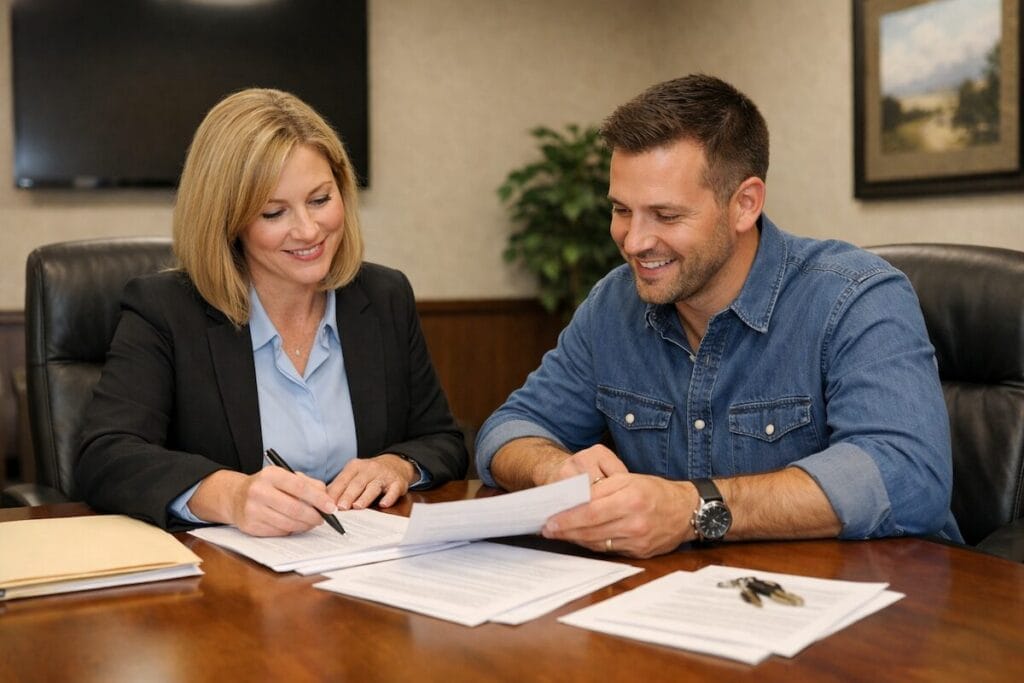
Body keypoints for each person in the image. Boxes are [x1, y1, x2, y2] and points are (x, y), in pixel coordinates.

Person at [475, 74, 961, 558]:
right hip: (688, 601)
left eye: (665, 216)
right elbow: (507, 430)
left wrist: (693, 508)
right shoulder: (613, 304)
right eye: (622, 210)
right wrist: (552, 469)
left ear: (744, 204)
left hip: (875, 603)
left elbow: (908, 476)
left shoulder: (855, 297)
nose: (634, 241)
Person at [75, 88, 467, 535]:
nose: (308, 230)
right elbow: (105, 455)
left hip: (366, 570)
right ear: (227, 221)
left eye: (320, 200)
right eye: (274, 212)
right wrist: (228, 495)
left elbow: (443, 439)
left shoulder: (383, 296)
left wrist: (399, 465)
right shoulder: (165, 310)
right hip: (227, 584)